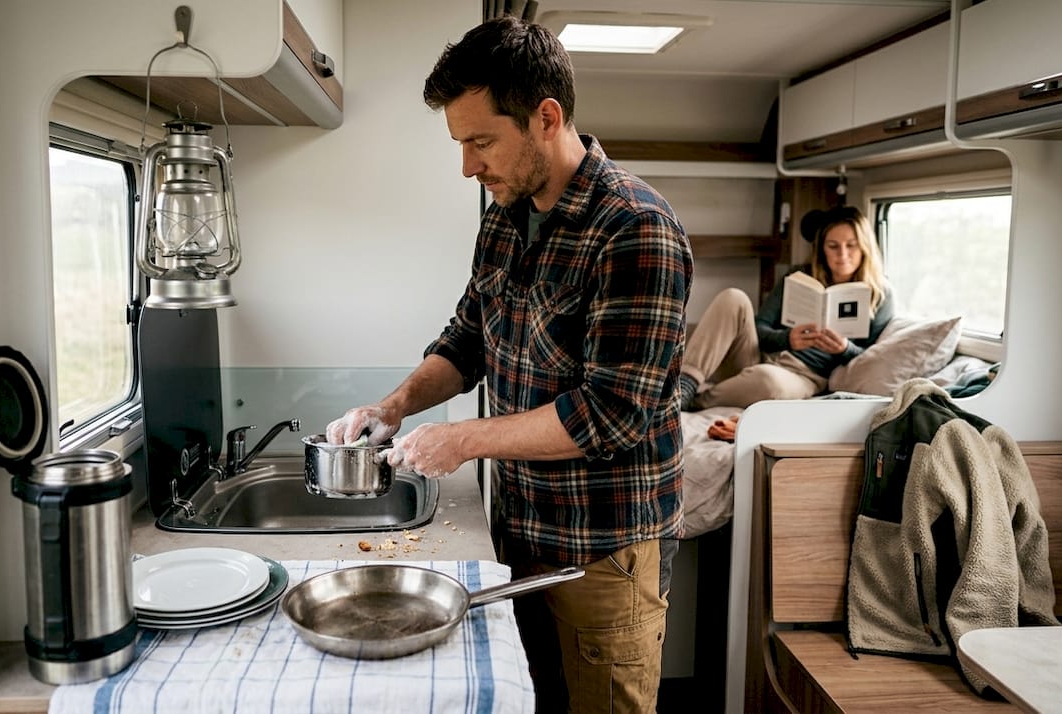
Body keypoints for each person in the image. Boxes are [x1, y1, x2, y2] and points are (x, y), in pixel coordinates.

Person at [323, 16, 692, 714]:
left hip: (604, 551)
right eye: (461, 145)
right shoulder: (505, 213)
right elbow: (467, 339)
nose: (468, 165)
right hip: (520, 529)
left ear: (546, 118)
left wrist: (461, 440)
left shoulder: (637, 229)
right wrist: (392, 407)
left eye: (481, 141)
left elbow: (609, 414)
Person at [679, 204, 892, 409]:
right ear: (822, 248)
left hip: (803, 375)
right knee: (733, 297)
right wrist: (787, 338)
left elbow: (872, 358)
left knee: (769, 382)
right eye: (833, 246)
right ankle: (684, 386)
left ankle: (697, 401)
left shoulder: (880, 293)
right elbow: (760, 328)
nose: (842, 254)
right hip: (759, 358)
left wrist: (845, 348)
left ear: (865, 246)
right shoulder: (798, 278)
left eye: (851, 245)